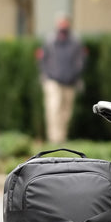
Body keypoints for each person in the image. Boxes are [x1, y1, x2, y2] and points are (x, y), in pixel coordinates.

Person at [37, 14, 87, 144]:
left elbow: (80, 60)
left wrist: (75, 74)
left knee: (66, 112)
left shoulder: (75, 41)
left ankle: (62, 137)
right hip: (53, 81)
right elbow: (43, 59)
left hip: (70, 82)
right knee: (53, 110)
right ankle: (54, 139)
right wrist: (47, 75)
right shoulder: (50, 40)